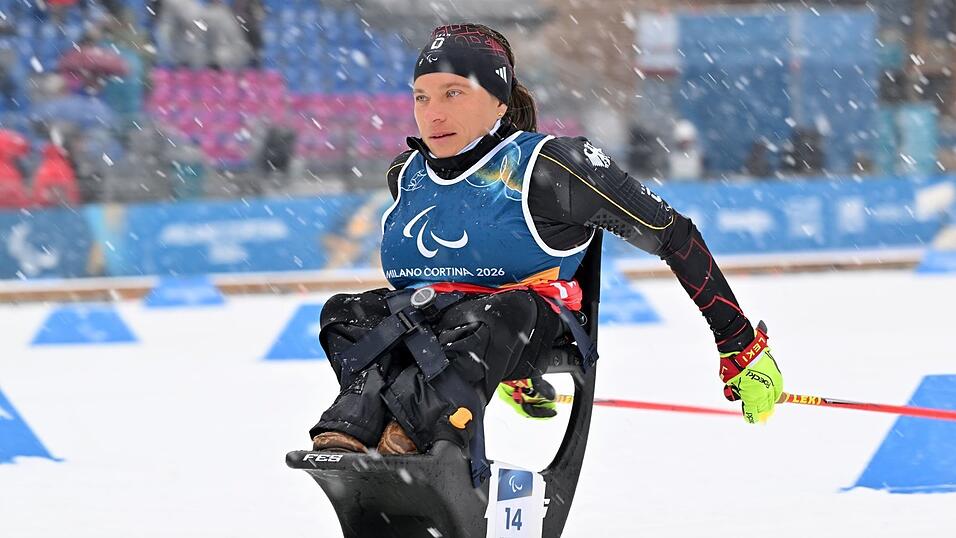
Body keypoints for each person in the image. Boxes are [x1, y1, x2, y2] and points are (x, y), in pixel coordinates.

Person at [309, 24, 784, 478]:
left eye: (454, 93)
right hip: (438, 325)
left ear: (497, 103)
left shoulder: (552, 167)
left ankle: (416, 433)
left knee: (490, 317)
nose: (433, 113)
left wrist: (739, 343)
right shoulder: (406, 172)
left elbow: (674, 235)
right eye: (421, 96)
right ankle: (360, 422)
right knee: (345, 313)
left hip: (520, 321)